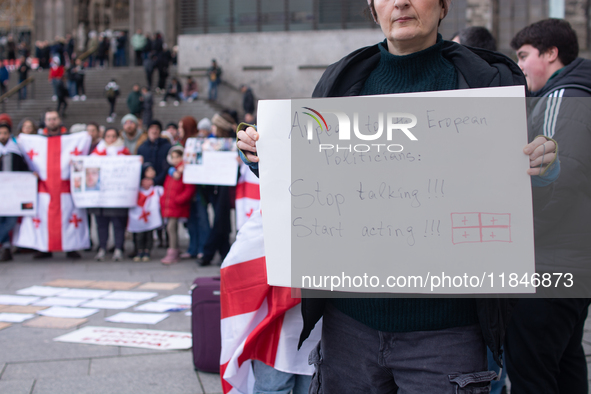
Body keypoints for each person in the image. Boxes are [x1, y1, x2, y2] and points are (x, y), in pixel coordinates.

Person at [236, 0, 560, 392]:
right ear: (373, 9)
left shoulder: (486, 83)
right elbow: (312, 181)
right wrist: (264, 158)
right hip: (349, 327)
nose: (401, 2)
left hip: (447, 334)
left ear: (443, 6)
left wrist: (544, 164)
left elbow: (525, 187)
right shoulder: (341, 81)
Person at [504, 18, 591, 394]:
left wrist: (517, 241)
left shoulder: (562, 96)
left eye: (524, 55)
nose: (519, 66)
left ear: (551, 53)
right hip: (571, 264)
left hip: (547, 267)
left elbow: (558, 182)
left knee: (532, 375)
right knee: (566, 365)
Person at [15, 110, 90, 259]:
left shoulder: (70, 139)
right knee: (43, 218)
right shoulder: (37, 140)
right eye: (49, 119)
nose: (52, 121)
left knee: (69, 217)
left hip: (64, 188)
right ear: (45, 121)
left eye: (55, 118)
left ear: (59, 120)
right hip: (45, 188)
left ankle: (71, 247)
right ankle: (44, 248)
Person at [89, 127, 130, 262]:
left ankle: (118, 247)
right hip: (101, 197)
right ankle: (102, 247)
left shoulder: (124, 152)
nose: (111, 139)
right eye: (108, 136)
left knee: (118, 223)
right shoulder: (97, 153)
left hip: (117, 196)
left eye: (113, 136)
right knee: (101, 224)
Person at [0, 114, 29, 262]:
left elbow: (24, 168)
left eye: (5, 133)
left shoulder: (15, 150)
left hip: (12, 193)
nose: (3, 136)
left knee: (10, 221)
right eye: (0, 133)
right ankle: (5, 247)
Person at [160, 145, 196, 264]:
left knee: (171, 227)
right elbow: (167, 187)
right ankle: (173, 250)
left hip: (176, 204)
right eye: (173, 157)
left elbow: (189, 188)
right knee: (171, 227)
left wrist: (179, 199)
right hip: (171, 204)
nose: (175, 159)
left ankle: (173, 251)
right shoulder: (173, 171)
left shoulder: (183, 170)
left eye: (178, 157)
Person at [128, 163, 163, 262]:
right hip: (139, 215)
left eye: (152, 170)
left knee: (149, 234)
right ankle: (139, 250)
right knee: (139, 235)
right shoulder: (137, 188)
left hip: (150, 215)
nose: (151, 173)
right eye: (148, 171)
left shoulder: (156, 188)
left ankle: (147, 251)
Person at [137, 120, 171, 187]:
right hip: (144, 186)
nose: (154, 131)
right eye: (152, 128)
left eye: (157, 129)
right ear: (148, 130)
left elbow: (167, 168)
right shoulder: (141, 148)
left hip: (162, 185)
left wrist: (155, 181)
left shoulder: (167, 147)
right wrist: (143, 181)